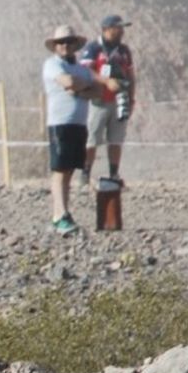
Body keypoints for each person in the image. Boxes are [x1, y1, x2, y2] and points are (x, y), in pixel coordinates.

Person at [41, 24, 104, 236]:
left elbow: (97, 89)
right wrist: (80, 85)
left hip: (78, 123)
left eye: (68, 41)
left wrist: (78, 89)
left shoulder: (81, 69)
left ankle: (58, 215)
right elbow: (67, 81)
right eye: (61, 42)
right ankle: (62, 215)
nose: (64, 46)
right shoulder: (52, 65)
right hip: (61, 123)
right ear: (55, 46)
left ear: (75, 44)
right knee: (60, 170)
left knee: (68, 171)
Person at [79, 13, 136, 184]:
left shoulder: (124, 50)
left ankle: (114, 173)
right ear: (106, 29)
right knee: (92, 138)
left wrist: (131, 98)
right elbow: (86, 71)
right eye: (118, 28)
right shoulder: (93, 48)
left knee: (116, 139)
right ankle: (85, 172)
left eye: (122, 29)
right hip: (98, 100)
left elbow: (131, 75)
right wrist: (105, 81)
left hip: (120, 99)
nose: (121, 32)